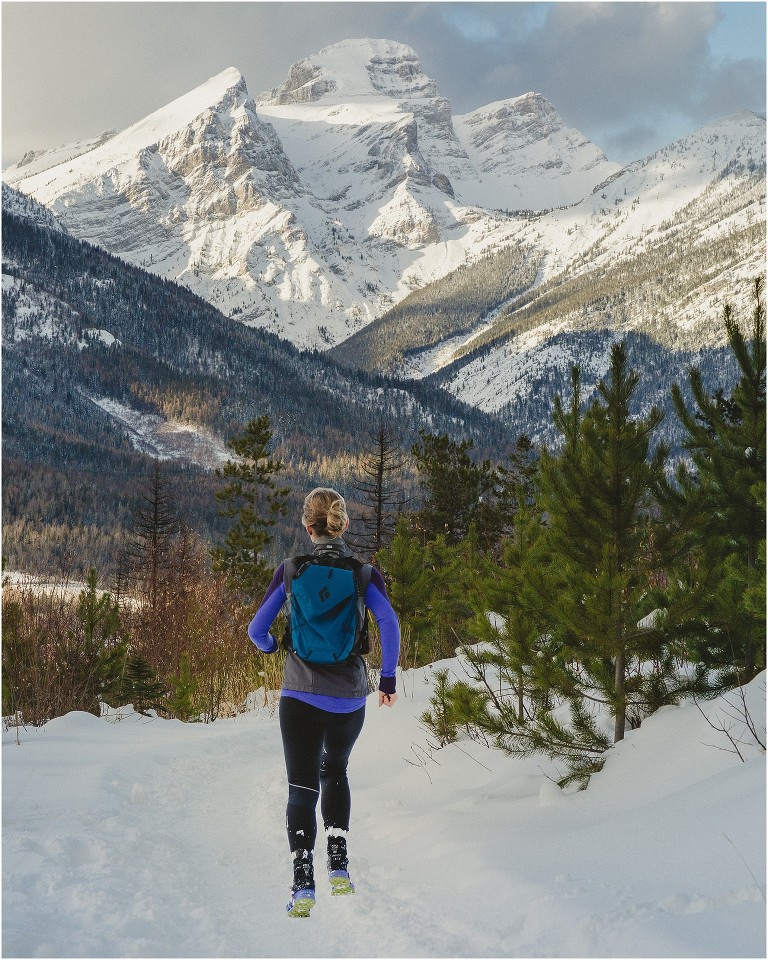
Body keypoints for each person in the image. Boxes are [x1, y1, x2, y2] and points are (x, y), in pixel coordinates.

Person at [248, 487, 400, 918]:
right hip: (348, 698)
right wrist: (386, 678)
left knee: (301, 786)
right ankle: (338, 862)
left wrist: (271, 646)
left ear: (306, 525)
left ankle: (302, 883)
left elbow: (256, 628)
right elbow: (388, 622)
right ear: (343, 524)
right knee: (335, 770)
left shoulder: (291, 570)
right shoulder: (364, 574)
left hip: (298, 694)